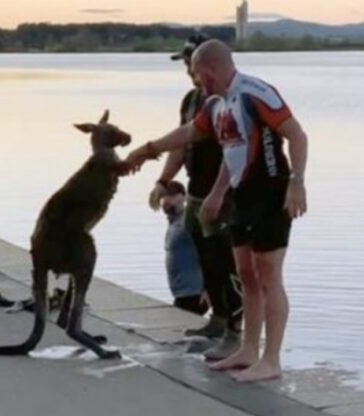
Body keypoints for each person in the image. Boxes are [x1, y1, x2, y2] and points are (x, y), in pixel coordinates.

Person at [127, 40, 308, 383]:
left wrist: (297, 183)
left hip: (270, 193)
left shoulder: (256, 93)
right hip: (240, 197)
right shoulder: (216, 104)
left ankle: (272, 360)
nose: (195, 80)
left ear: (210, 69)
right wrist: (147, 150)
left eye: (196, 73)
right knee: (247, 274)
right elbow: (195, 136)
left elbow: (297, 135)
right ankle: (247, 349)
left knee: (269, 274)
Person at [150, 33, 243, 361]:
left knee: (224, 259)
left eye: (191, 62)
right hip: (196, 190)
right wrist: (164, 179)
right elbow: (181, 143)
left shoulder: (228, 99)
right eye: (186, 64)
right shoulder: (191, 100)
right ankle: (217, 319)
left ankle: (236, 329)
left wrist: (221, 193)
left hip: (224, 192)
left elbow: (235, 150)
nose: (188, 70)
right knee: (204, 256)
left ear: (207, 64)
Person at [161, 180, 208, 316]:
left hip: (194, 294)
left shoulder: (189, 221)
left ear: (184, 197)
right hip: (182, 294)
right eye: (164, 196)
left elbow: (210, 252)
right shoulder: (173, 222)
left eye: (172, 196)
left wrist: (209, 290)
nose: (166, 200)